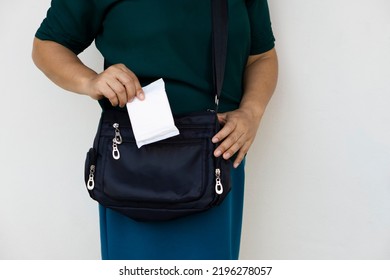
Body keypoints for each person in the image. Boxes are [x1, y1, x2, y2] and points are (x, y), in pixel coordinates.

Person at [32, 0, 278, 260]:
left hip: (215, 155)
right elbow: (46, 46)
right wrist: (90, 81)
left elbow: (261, 56)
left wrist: (251, 112)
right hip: (132, 163)